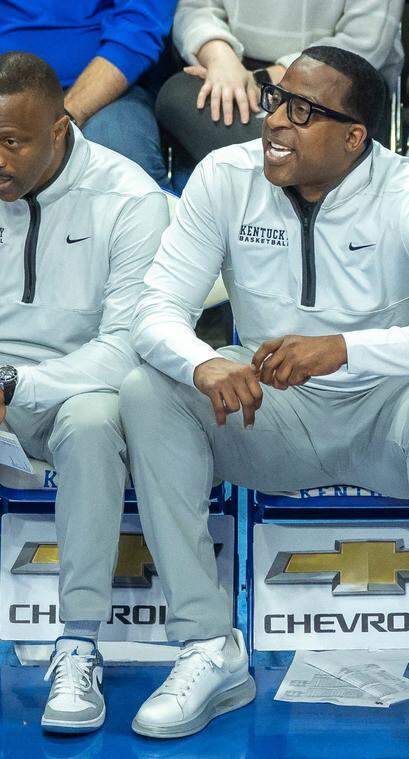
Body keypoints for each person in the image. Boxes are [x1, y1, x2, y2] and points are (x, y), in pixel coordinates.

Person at [119, 46, 409, 754]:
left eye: (303, 111)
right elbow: (151, 315)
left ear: (355, 136)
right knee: (151, 389)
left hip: (390, 416)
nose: (275, 123)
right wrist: (203, 362)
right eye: (275, 102)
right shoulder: (224, 178)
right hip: (274, 413)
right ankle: (210, 647)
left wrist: (347, 348)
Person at [0, 52, 168, 734]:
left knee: (99, 419)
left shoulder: (130, 198)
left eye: (13, 141)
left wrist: (16, 385)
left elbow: (127, 347)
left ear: (62, 130)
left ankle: (76, 642)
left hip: (70, 391)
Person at [158, 0, 404, 164]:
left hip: (336, 79)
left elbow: (364, 42)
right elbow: (196, 8)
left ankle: (284, 176)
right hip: (234, 66)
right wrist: (220, 57)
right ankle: (290, 173)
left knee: (336, 119)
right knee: (178, 95)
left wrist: (262, 80)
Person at [0, 0, 174, 183]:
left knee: (118, 151)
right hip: (5, 84)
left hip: (107, 90)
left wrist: (66, 114)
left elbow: (139, 28)